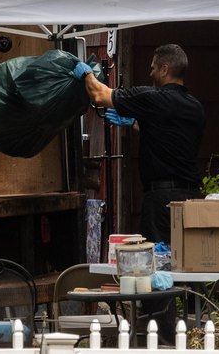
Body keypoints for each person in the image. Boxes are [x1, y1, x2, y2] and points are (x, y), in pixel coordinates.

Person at [73, 43, 206, 243]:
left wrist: (86, 74)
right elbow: (168, 137)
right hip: (192, 198)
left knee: (160, 263)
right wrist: (135, 123)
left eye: (153, 67)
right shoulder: (196, 107)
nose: (150, 73)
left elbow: (99, 95)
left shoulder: (152, 98)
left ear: (164, 69)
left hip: (162, 200)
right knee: (189, 262)